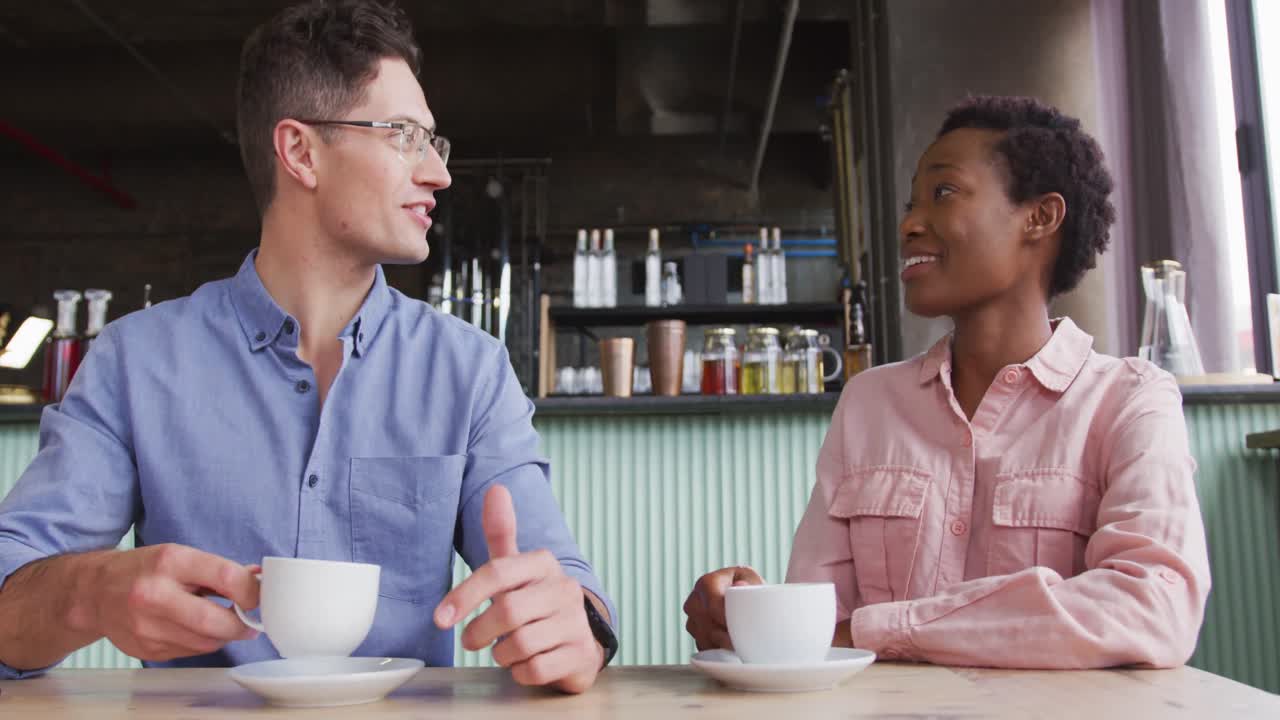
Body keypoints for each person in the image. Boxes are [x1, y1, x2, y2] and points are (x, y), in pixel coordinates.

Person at [0, 0, 615, 694]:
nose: (438, 175)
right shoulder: (133, 363)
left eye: (433, 144)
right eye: (405, 136)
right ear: (300, 151)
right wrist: (88, 591)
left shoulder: (468, 369)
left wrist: (577, 628)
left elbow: (571, 592)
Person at [684, 95, 1210, 669]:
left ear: (1040, 217)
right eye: (911, 204)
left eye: (943, 193)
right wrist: (750, 612)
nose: (909, 224)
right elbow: (827, 631)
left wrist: (890, 630)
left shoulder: (1130, 400)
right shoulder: (869, 402)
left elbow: (1152, 608)